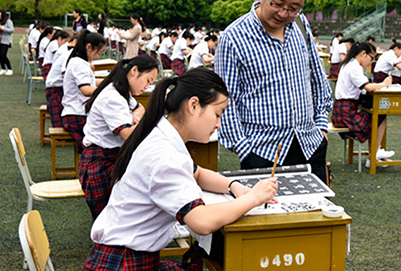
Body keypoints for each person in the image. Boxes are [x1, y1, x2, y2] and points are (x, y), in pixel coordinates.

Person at [82, 67, 278, 270]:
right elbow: (202, 222)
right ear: (193, 105)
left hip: (121, 255)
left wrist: (233, 186)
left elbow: (198, 174)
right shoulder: (165, 156)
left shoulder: (162, 133)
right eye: (217, 114)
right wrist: (253, 198)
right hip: (123, 263)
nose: (219, 124)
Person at [215, 0, 333, 184]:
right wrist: (244, 148)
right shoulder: (233, 37)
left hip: (309, 143)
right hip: (262, 151)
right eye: (277, 4)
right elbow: (225, 99)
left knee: (317, 210)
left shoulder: (300, 24)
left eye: (293, 8)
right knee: (266, 212)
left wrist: (322, 126)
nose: (284, 14)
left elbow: (318, 76)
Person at [79, 55, 158, 219]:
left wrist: (135, 118)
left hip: (107, 156)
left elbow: (139, 108)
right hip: (99, 162)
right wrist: (146, 122)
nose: (147, 86)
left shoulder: (122, 92)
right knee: (109, 216)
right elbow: (129, 135)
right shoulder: (113, 97)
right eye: (148, 80)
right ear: (134, 71)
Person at [331, 42, 394, 168]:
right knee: (380, 114)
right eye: (371, 58)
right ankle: (374, 154)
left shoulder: (349, 64)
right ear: (363, 54)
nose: (371, 62)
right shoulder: (354, 66)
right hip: (346, 115)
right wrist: (384, 83)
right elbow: (369, 87)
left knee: (377, 114)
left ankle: (374, 153)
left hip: (340, 112)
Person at [61, 30, 105, 154]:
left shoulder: (80, 62)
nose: (98, 56)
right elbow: (86, 90)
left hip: (77, 113)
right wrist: (106, 89)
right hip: (76, 115)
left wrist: (109, 81)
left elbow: (91, 82)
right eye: (98, 52)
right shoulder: (78, 63)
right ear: (89, 47)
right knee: (99, 141)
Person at [45, 35, 78, 128]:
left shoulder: (70, 51)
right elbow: (66, 76)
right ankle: (60, 138)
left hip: (59, 85)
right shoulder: (68, 52)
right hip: (55, 88)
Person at [0, 9, 14, 76]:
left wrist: (3, 29)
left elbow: (11, 30)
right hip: (0, 40)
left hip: (5, 41)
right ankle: (3, 68)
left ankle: (10, 69)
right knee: (0, 55)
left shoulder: (8, 21)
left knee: (3, 55)